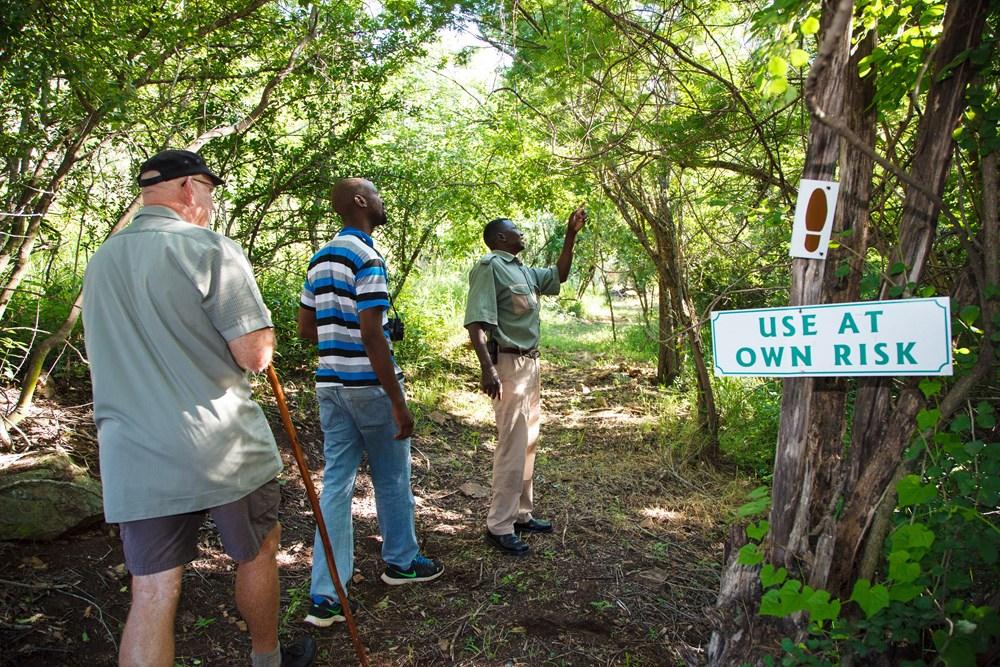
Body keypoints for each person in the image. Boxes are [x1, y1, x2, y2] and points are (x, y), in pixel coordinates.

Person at [82, 149, 315, 666]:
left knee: (153, 592)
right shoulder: (208, 248)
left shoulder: (101, 261)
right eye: (209, 192)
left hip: (133, 451)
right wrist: (265, 326)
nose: (209, 203)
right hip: (217, 441)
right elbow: (256, 356)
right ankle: (267, 660)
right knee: (256, 551)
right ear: (190, 189)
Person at [297, 177, 444, 628]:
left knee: (336, 485)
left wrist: (338, 337)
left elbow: (306, 330)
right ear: (360, 202)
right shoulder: (366, 256)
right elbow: (370, 332)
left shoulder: (320, 258)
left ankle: (327, 594)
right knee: (392, 476)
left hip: (330, 387)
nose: (382, 201)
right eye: (376, 194)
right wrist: (397, 402)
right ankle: (400, 560)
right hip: (369, 388)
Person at [464, 208, 587, 556]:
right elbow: (476, 323)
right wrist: (488, 370)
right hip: (507, 364)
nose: (522, 234)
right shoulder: (490, 267)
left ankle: (521, 513)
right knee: (511, 444)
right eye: (515, 230)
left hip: (530, 363)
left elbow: (558, 276)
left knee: (529, 440)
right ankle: (498, 525)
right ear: (501, 238)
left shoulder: (523, 271)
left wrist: (570, 235)